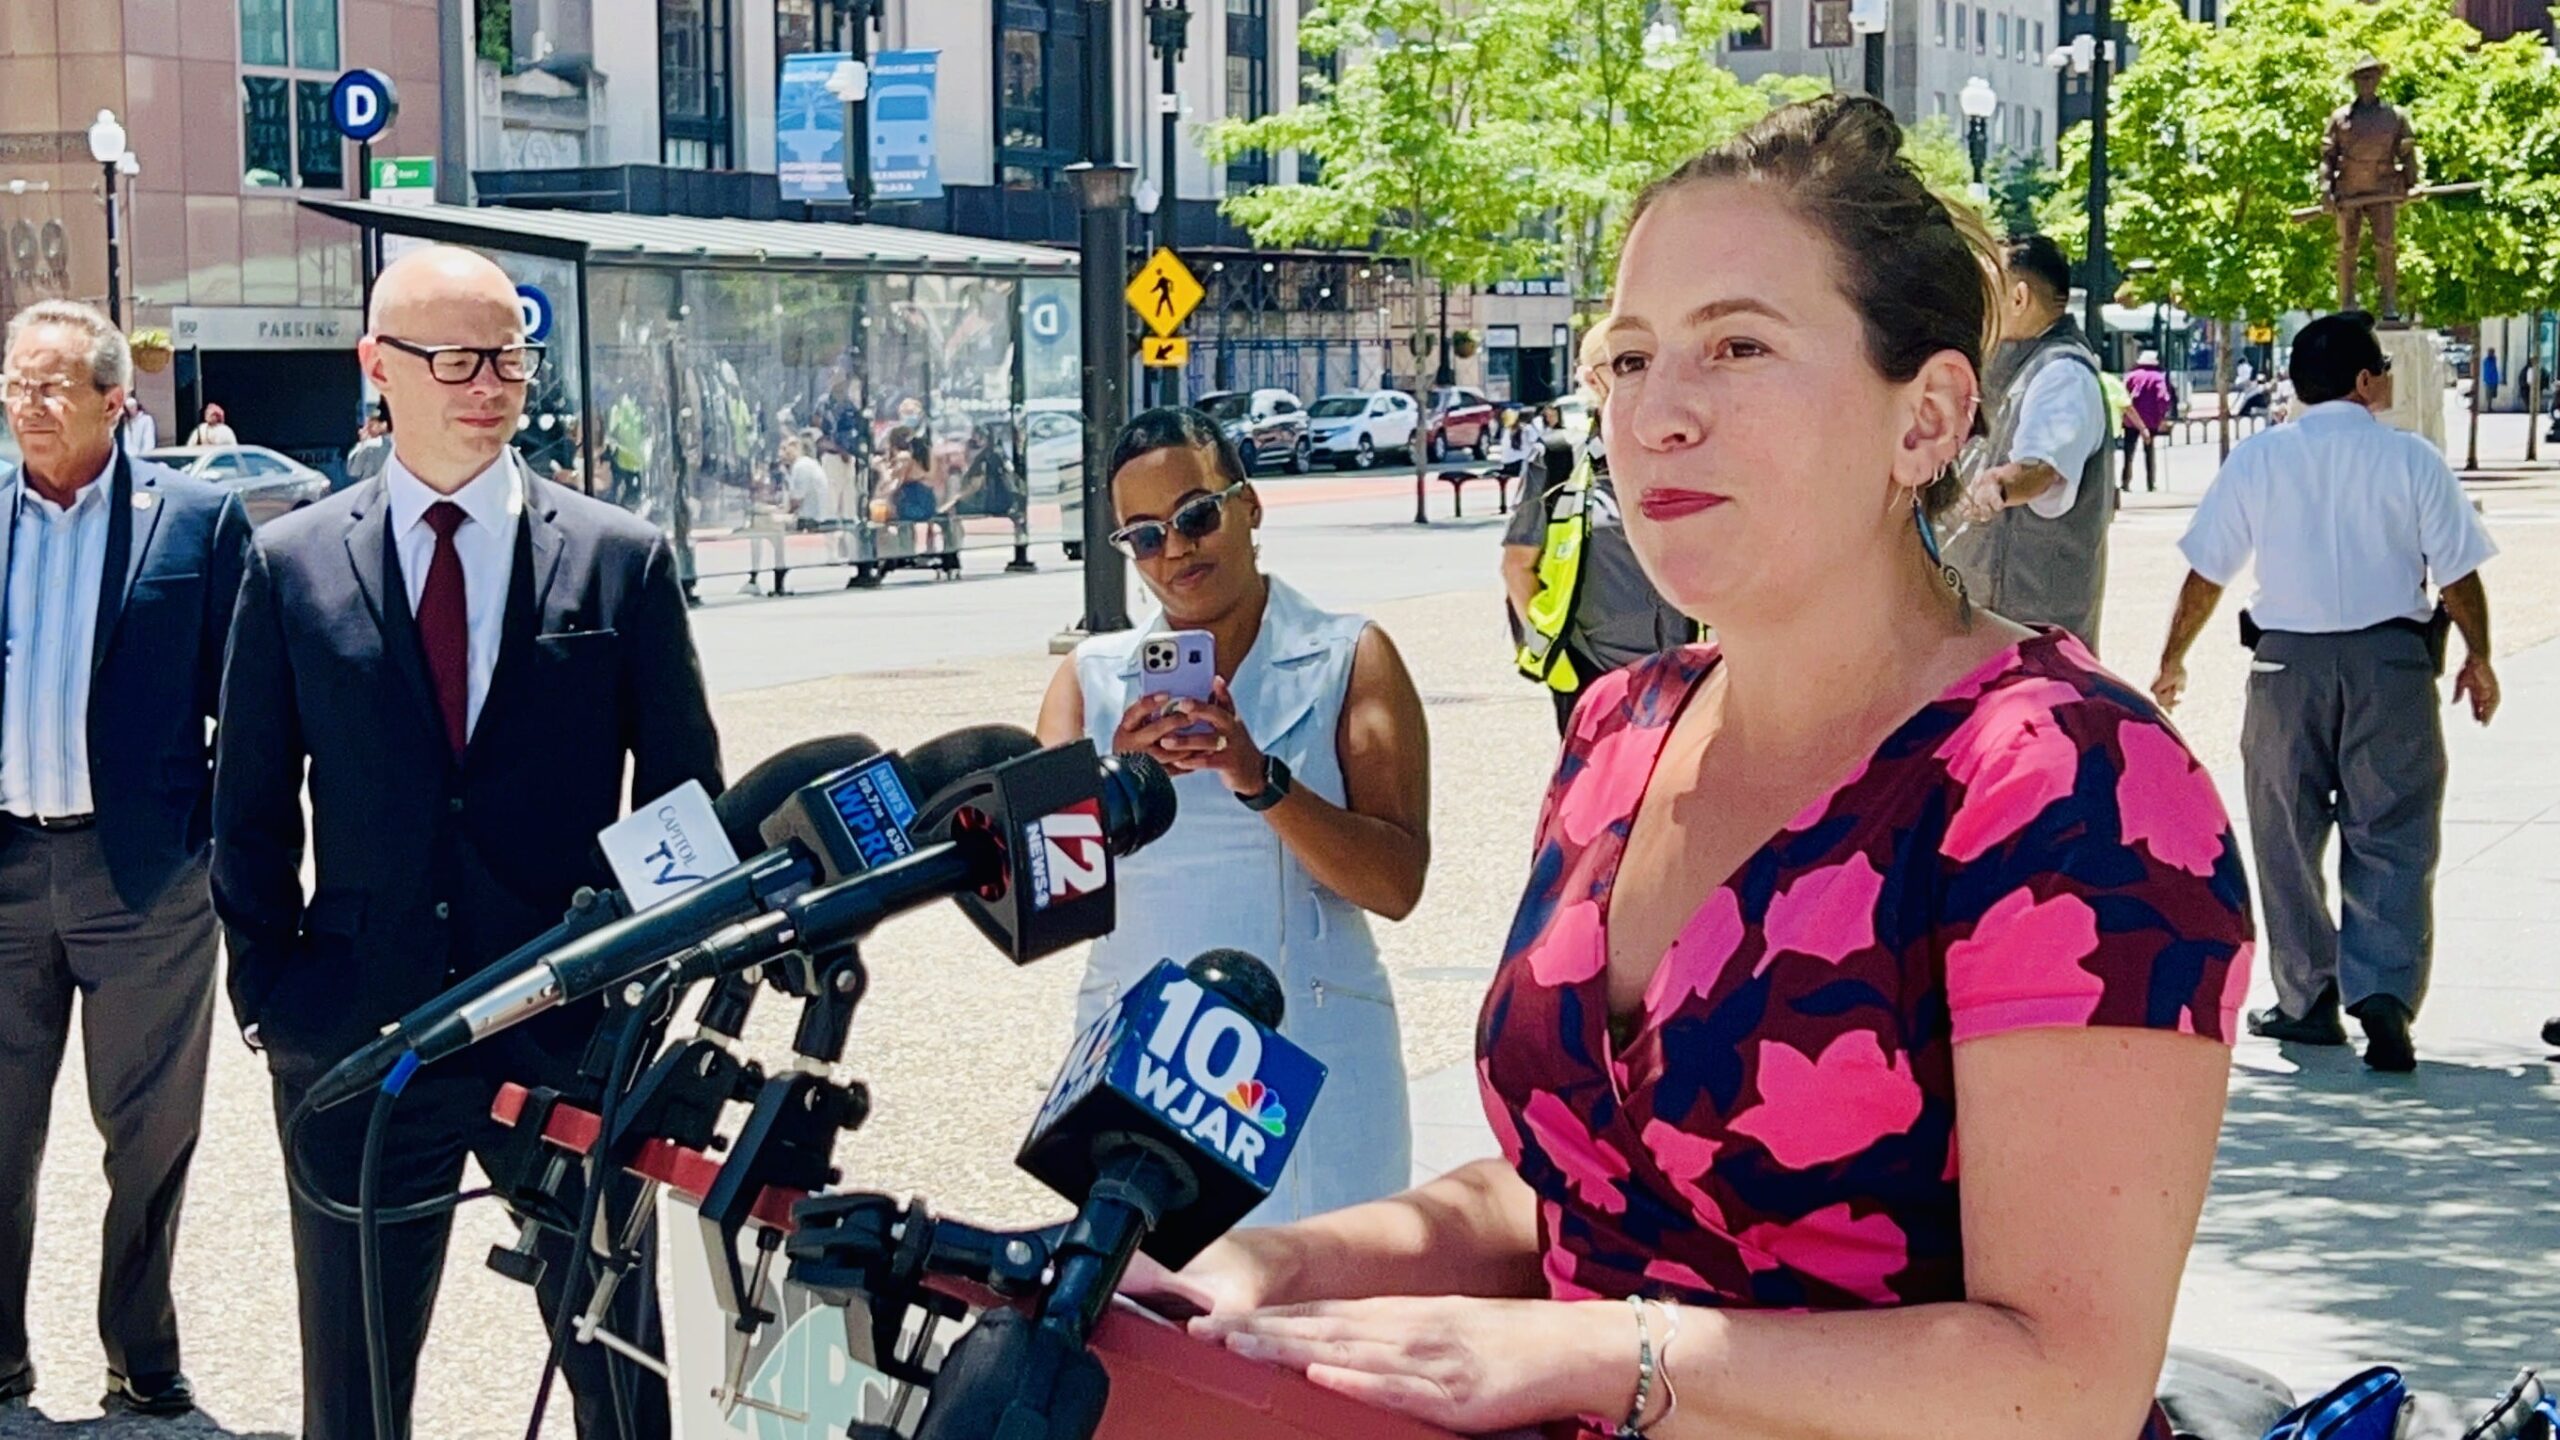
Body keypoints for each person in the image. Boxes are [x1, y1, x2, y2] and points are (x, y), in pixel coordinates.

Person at [1127, 97, 2251, 1440]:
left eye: (1738, 346)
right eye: (1628, 358)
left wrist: (1614, 1357)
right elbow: (1574, 1192)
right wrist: (1270, 1266)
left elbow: (2065, 1381)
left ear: (1929, 417)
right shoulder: (1619, 728)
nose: (1656, 414)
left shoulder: (2069, 782)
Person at [213, 245, 721, 1440]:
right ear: (377, 367)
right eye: (455, 359)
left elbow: (685, 799)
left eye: (509, 357)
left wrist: (636, 987)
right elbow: (248, 804)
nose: (489, 385)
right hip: (356, 1033)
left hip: (567, 1031)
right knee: (355, 1385)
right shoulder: (291, 566)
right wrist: (273, 994)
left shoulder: (619, 557)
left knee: (621, 1372)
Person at [1035, 406, 1430, 1225]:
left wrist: (1259, 780)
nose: (1176, 551)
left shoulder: (1348, 656)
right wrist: (1119, 781)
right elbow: (1049, 901)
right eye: (1145, 536)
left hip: (1310, 1049)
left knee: (1323, 1292)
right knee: (1149, 1293)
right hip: (1143, 1056)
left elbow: (1395, 885)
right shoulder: (1091, 680)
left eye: (1196, 516)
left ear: (1249, 506)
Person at [0, 301, 251, 1420]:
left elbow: (248, 705)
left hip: (142, 882)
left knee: (147, 1135)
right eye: (16, 382)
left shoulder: (194, 521)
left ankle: (139, 1351)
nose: (29, 403)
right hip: (4, 871)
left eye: (53, 384)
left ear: (115, 402)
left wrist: (210, 842)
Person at [2155, 310, 2497, 1072]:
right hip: (2392, 665)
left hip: (2285, 668)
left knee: (2284, 829)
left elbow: (2206, 573)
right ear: (2366, 381)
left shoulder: (2259, 459)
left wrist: (2172, 658)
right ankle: (2385, 990)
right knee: (2394, 828)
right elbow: (2458, 575)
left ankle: (2309, 996)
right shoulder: (2412, 460)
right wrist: (2479, 656)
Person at [1504, 326, 1696, 737]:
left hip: (1690, 675)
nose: (1647, 377)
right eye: (1628, 364)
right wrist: (1552, 653)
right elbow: (1517, 565)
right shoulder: (1560, 460)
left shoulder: (1685, 451)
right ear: (1592, 380)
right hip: (1596, 676)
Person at [1940, 233, 2115, 652]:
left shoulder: (2063, 375)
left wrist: (1999, 485)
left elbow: (2042, 467)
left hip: (2030, 647)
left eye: (1984, 290)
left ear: (2018, 298)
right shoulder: (2013, 367)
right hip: (1989, 636)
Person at [2125, 349, 2176, 492]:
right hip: (2150, 420)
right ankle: (2150, 483)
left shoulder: (2131, 376)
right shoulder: (2158, 377)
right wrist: (2162, 416)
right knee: (2149, 451)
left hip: (2131, 419)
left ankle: (2125, 481)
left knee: (2129, 451)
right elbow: (2162, 398)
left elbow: (2124, 394)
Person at [343, 401, 393, 488]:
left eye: (372, 423)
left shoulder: (373, 445)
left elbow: (353, 471)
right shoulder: (367, 446)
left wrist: (364, 444)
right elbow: (353, 471)